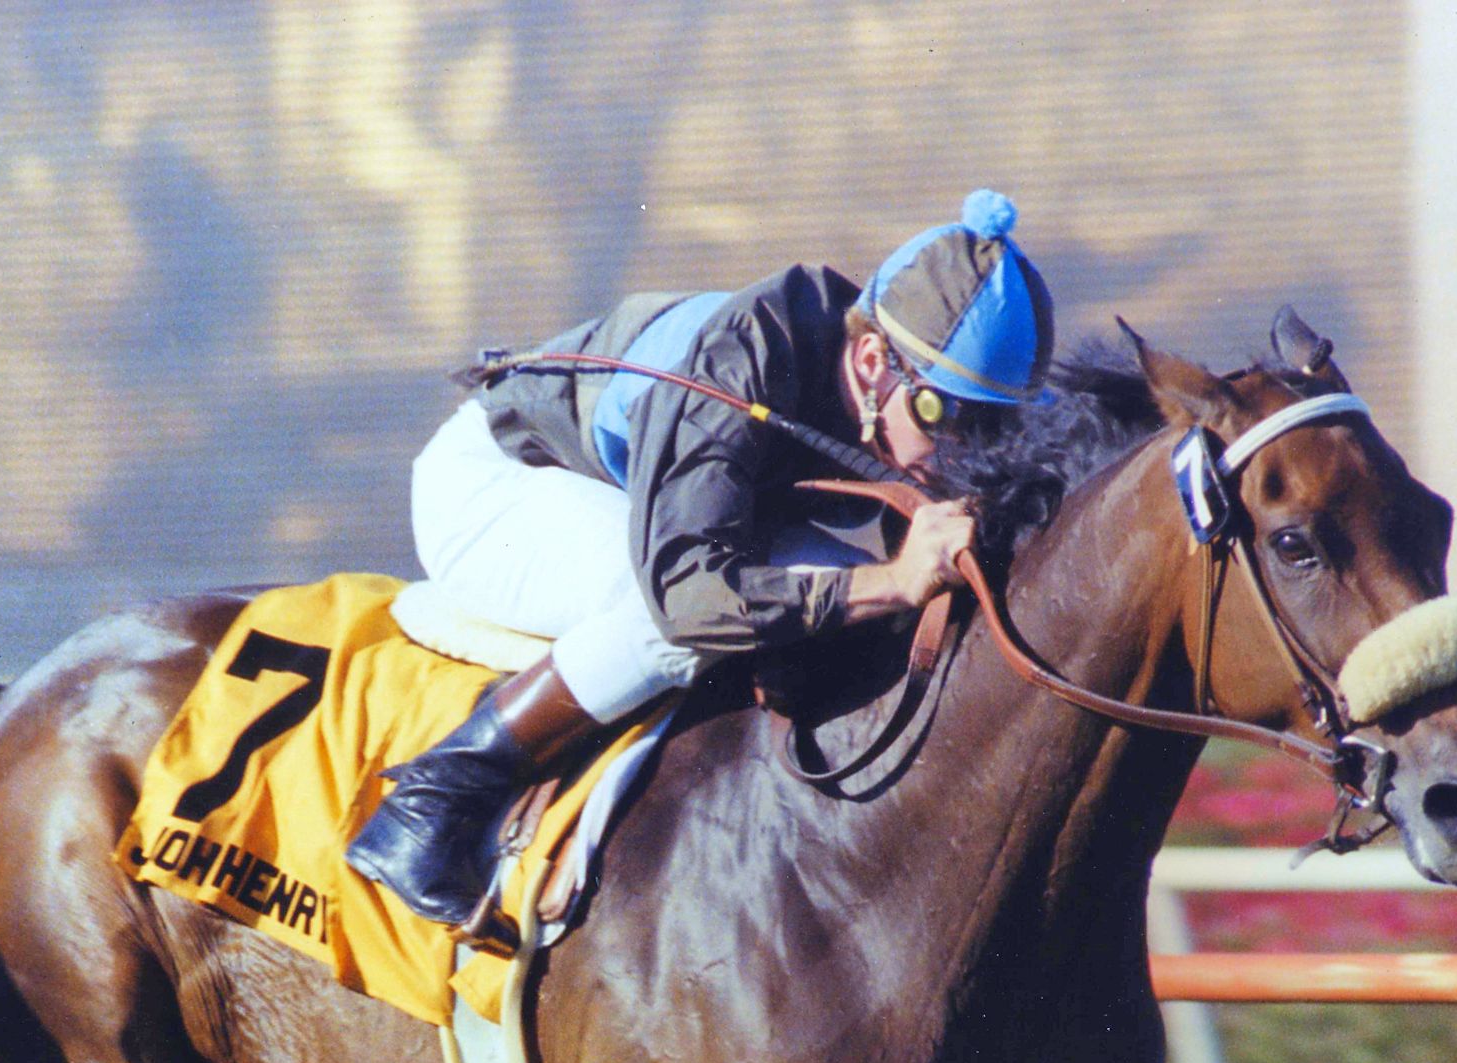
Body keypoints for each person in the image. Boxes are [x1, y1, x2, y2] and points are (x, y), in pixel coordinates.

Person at [346, 189, 1056, 926]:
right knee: (672, 614)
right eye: (952, 416)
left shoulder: (886, 379)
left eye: (997, 425)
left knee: (829, 607)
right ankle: (432, 803)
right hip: (496, 488)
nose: (969, 450)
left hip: (632, 502)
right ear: (873, 359)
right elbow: (688, 594)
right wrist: (896, 580)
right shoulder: (740, 359)